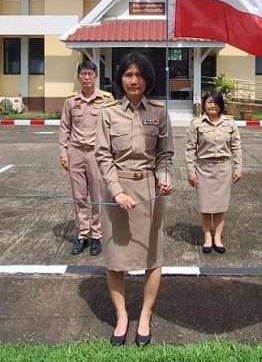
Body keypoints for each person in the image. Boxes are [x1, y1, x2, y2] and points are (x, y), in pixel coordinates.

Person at [96, 52, 173, 347]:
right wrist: (117, 191)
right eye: (128, 75)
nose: (134, 80)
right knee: (116, 259)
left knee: (152, 257)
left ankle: (144, 315)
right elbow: (103, 156)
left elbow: (165, 154)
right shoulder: (108, 113)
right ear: (120, 79)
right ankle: (121, 316)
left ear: (148, 80)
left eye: (139, 75)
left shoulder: (159, 113)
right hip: (116, 191)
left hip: (150, 192)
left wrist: (164, 177)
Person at [58, 59, 111, 256]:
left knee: (97, 195)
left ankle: (96, 235)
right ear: (78, 76)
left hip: (97, 154)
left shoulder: (106, 99)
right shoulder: (71, 101)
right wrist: (63, 152)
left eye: (90, 74)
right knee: (79, 196)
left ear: (96, 76)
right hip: (76, 152)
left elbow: (111, 127)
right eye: (83, 74)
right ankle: (83, 234)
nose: (87, 77)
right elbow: (65, 128)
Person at [185, 91, 242, 254]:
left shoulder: (230, 123)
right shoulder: (196, 124)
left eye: (216, 102)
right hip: (203, 170)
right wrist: (191, 171)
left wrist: (238, 168)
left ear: (221, 105)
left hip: (223, 170)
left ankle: (217, 237)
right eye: (209, 102)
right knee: (205, 207)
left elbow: (236, 146)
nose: (212, 105)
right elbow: (190, 149)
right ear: (204, 104)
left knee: (220, 207)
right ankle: (207, 237)